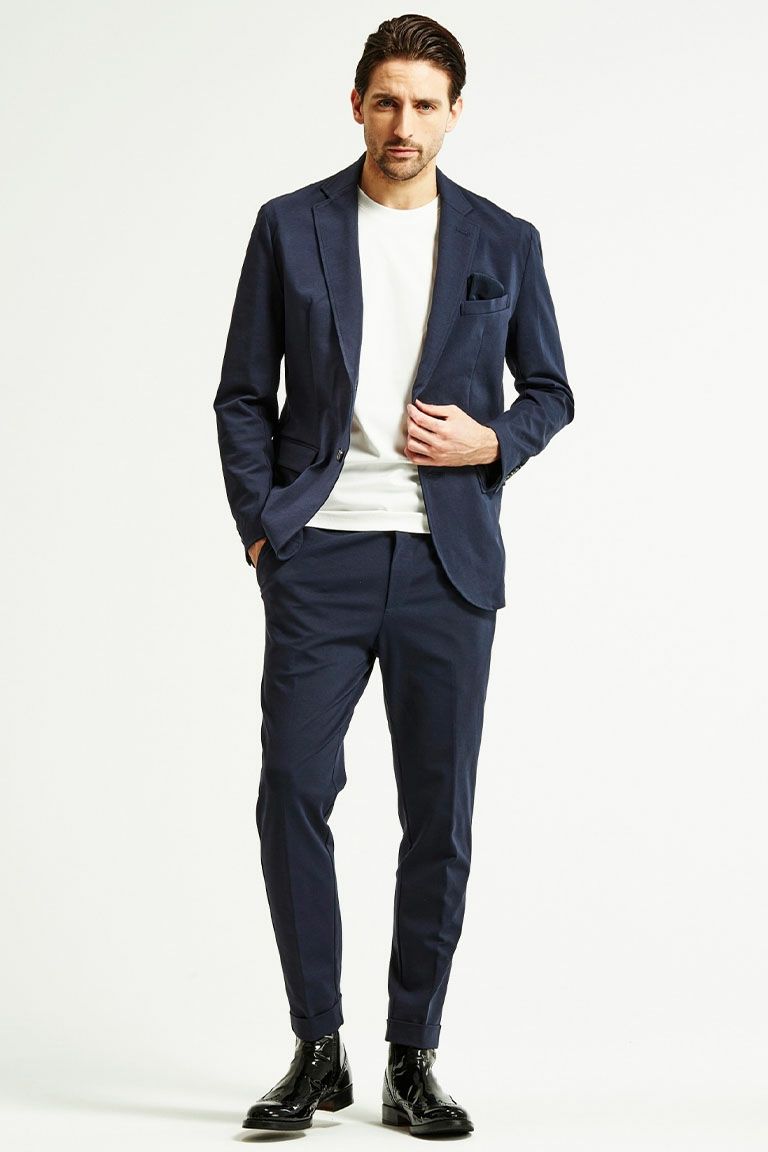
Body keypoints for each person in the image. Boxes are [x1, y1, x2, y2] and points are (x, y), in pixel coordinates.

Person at [213, 12, 573, 1138]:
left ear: (454, 113)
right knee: (292, 787)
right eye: (386, 101)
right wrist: (264, 531)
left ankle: (412, 1058)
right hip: (318, 554)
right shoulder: (291, 226)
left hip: (445, 565)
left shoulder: (504, 240)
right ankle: (315, 1047)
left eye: (424, 104)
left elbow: (551, 392)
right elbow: (242, 394)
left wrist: (493, 441)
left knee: (438, 816)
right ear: (357, 105)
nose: (402, 123)